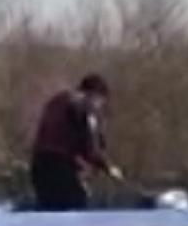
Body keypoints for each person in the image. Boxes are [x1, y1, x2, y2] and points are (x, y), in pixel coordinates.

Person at [29, 73, 123, 210]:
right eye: (100, 102)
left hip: (38, 164)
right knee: (76, 205)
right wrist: (109, 167)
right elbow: (90, 149)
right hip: (58, 167)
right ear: (94, 96)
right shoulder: (84, 108)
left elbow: (65, 137)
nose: (99, 107)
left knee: (48, 209)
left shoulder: (56, 101)